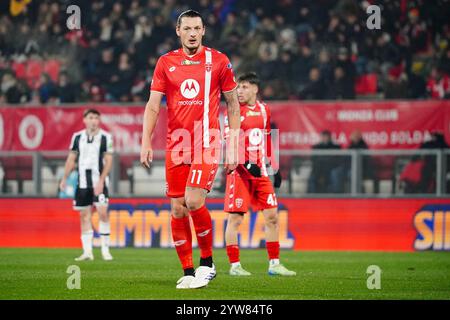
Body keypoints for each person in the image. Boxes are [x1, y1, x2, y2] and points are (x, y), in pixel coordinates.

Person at [140, 10, 240, 289]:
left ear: (204, 30)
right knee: (178, 207)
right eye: (187, 28)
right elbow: (152, 105)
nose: (192, 33)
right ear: (178, 31)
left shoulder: (219, 60)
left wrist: (233, 144)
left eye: (197, 28)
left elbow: (233, 105)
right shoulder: (165, 62)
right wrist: (146, 141)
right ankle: (187, 269)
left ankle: (207, 264)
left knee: (194, 200)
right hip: (176, 142)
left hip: (207, 140)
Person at [223, 72, 296, 277]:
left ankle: (274, 264)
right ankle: (235, 266)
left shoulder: (264, 110)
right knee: (235, 219)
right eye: (238, 87)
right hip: (239, 173)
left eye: (244, 87)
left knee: (272, 216)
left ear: (255, 89)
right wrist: (245, 162)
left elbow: (266, 139)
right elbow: (230, 143)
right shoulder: (233, 111)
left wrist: (275, 167)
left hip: (261, 172)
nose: (239, 91)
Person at [60, 109, 114, 261]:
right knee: (84, 216)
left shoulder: (106, 137)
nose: (94, 121)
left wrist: (102, 180)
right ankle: (87, 252)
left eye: (96, 118)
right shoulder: (77, 137)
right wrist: (64, 178)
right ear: (84, 120)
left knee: (103, 213)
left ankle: (105, 250)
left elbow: (109, 161)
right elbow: (71, 159)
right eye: (91, 117)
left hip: (99, 182)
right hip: (82, 182)